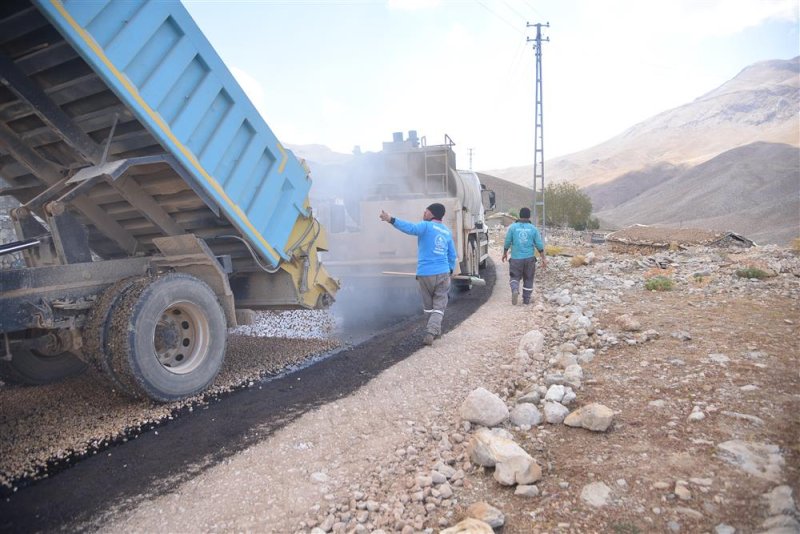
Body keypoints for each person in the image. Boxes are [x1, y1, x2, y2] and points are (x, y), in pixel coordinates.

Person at [379, 203, 457, 346]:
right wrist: (450, 269)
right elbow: (452, 254)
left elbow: (410, 228)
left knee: (428, 306)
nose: (424, 213)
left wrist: (391, 219)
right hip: (442, 272)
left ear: (432, 214)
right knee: (439, 304)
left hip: (424, 274)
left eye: (425, 211)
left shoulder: (425, 226)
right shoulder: (446, 231)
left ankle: (432, 331)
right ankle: (432, 331)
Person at [501, 207, 547, 305]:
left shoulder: (512, 228)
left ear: (520, 215)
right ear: (529, 216)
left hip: (516, 259)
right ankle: (526, 300)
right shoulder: (533, 229)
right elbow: (539, 245)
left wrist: (505, 253)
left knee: (514, 277)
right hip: (529, 259)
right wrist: (543, 258)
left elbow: (507, 241)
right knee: (528, 278)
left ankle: (514, 290)